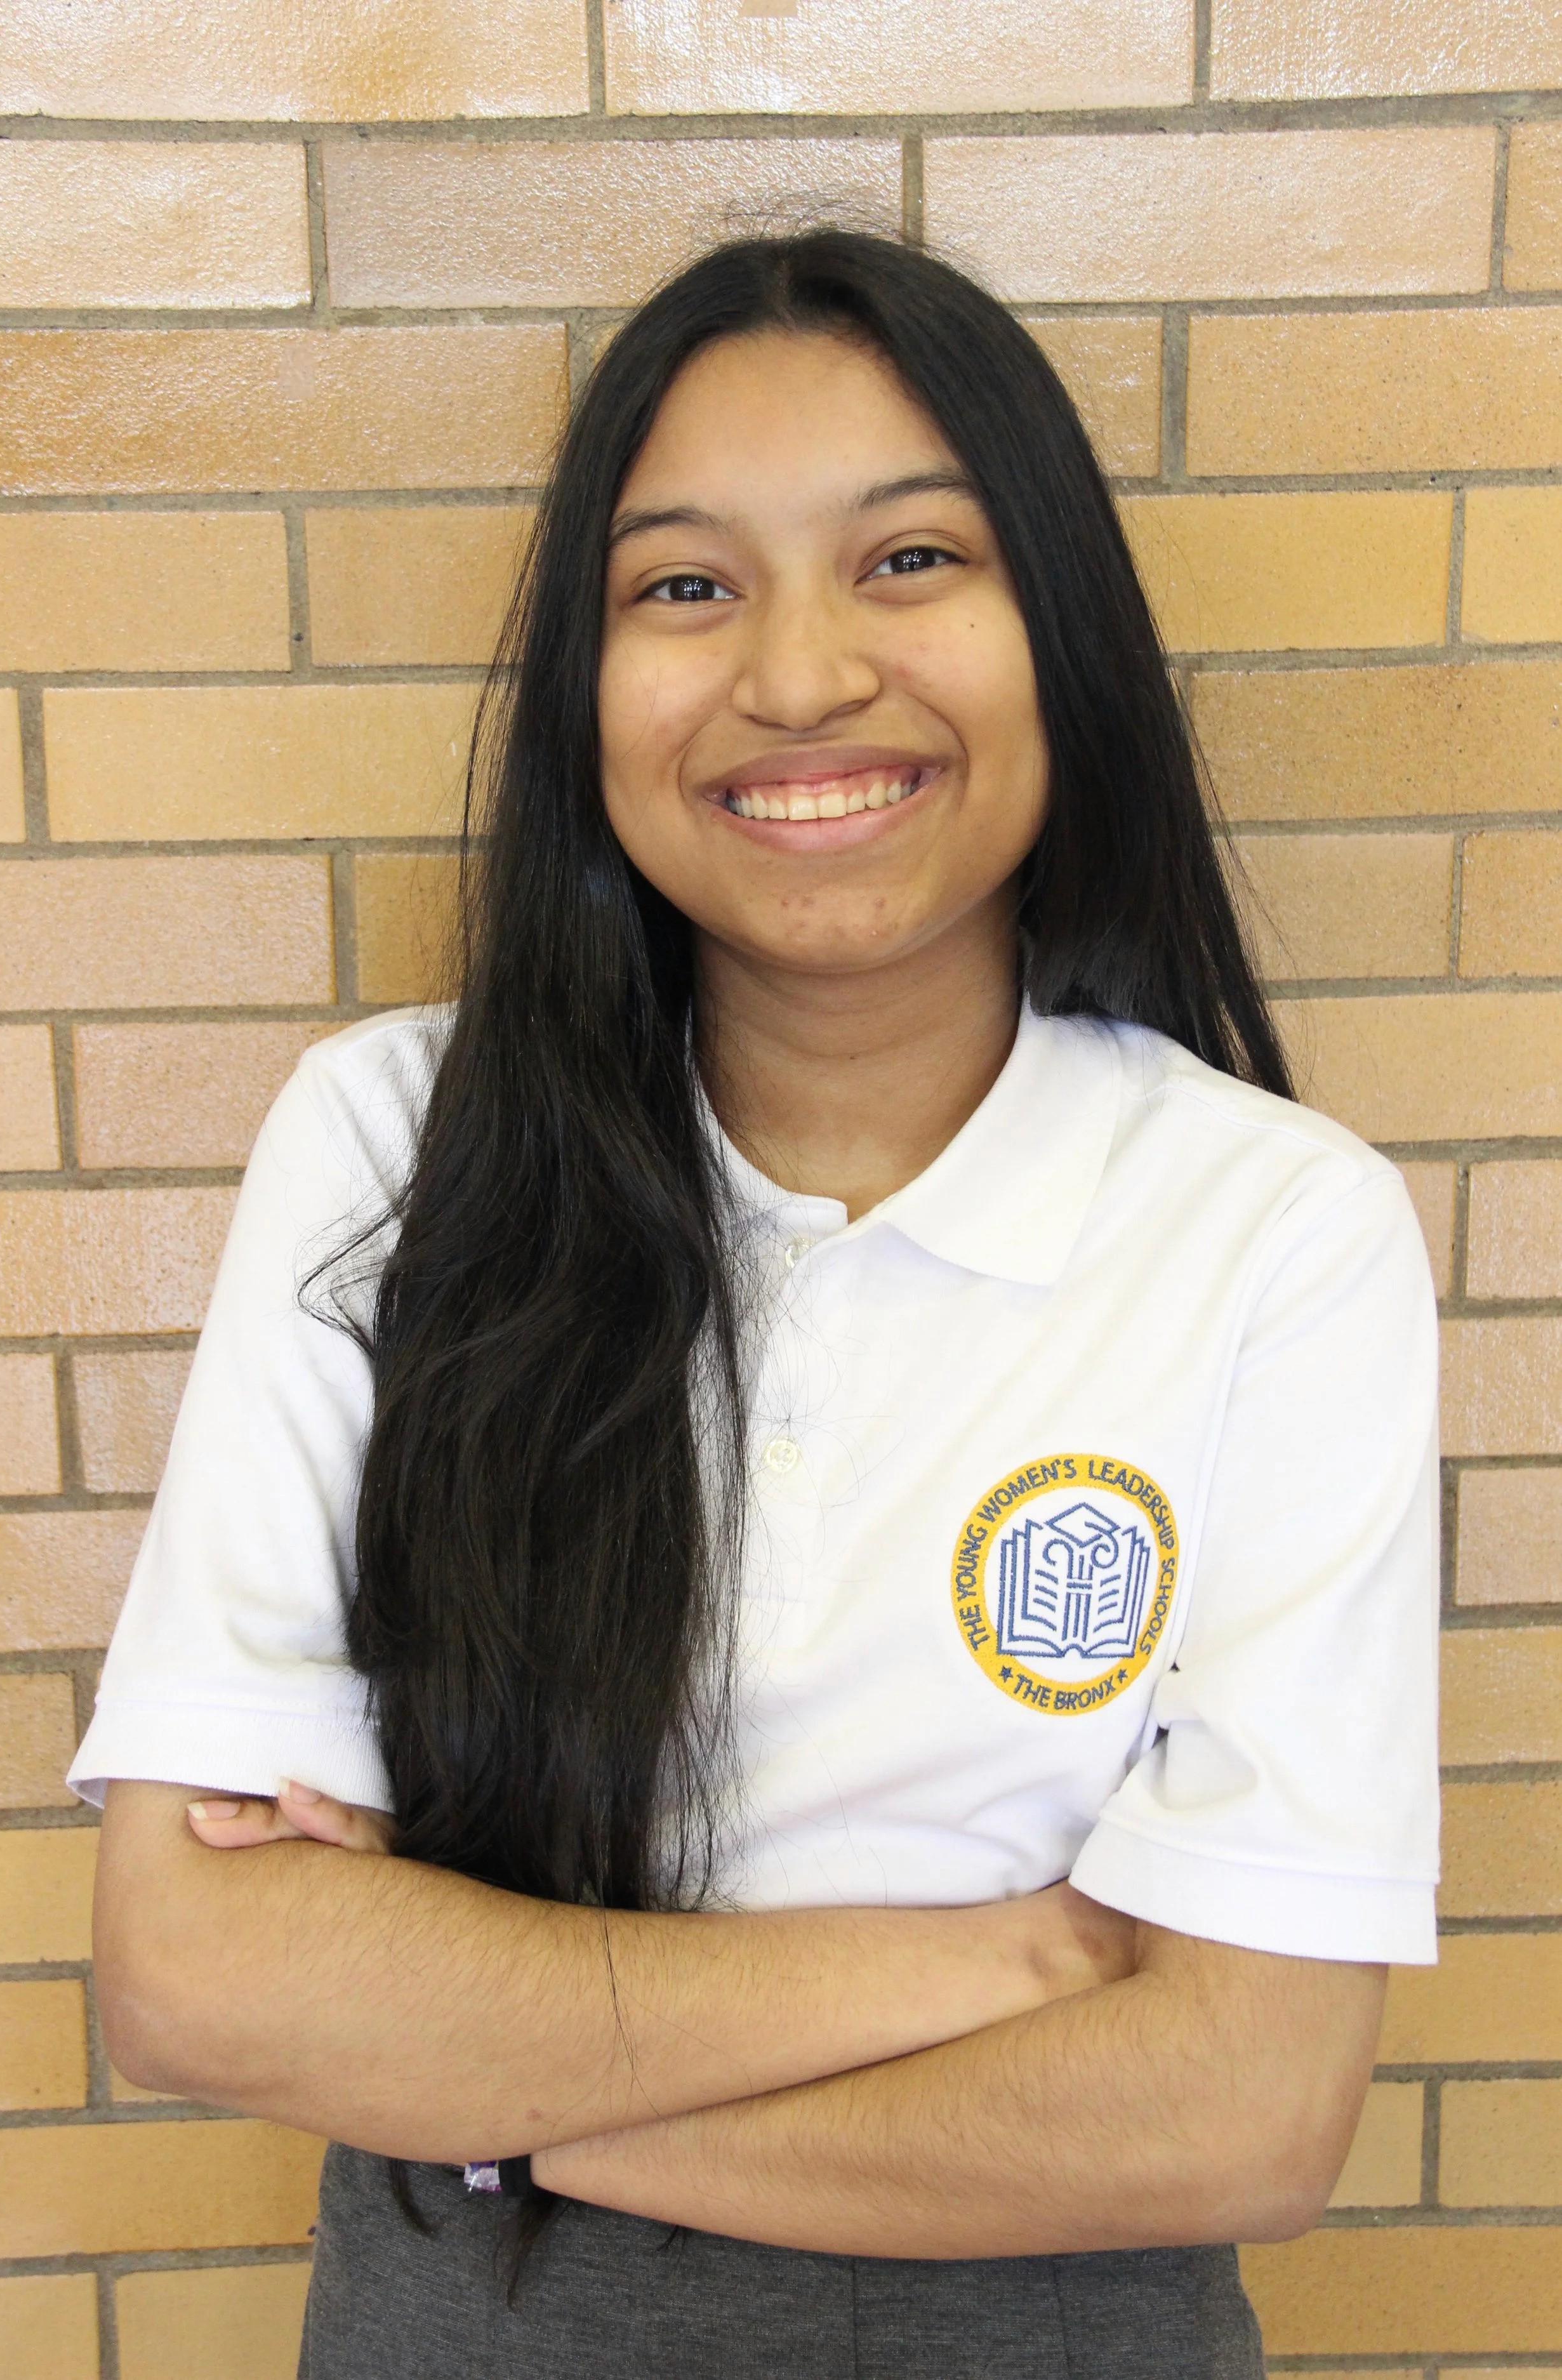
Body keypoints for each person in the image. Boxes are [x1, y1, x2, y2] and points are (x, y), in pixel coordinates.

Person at [78, 229, 1440, 2379]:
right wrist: (1013, 1962)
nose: (798, 678)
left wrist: (484, 2097)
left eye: (911, 560)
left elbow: (1238, 2113)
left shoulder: (1273, 1227)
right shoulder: (391, 1147)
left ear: (1062, 633)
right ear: (583, 685)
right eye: (686, 586)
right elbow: (193, 1979)